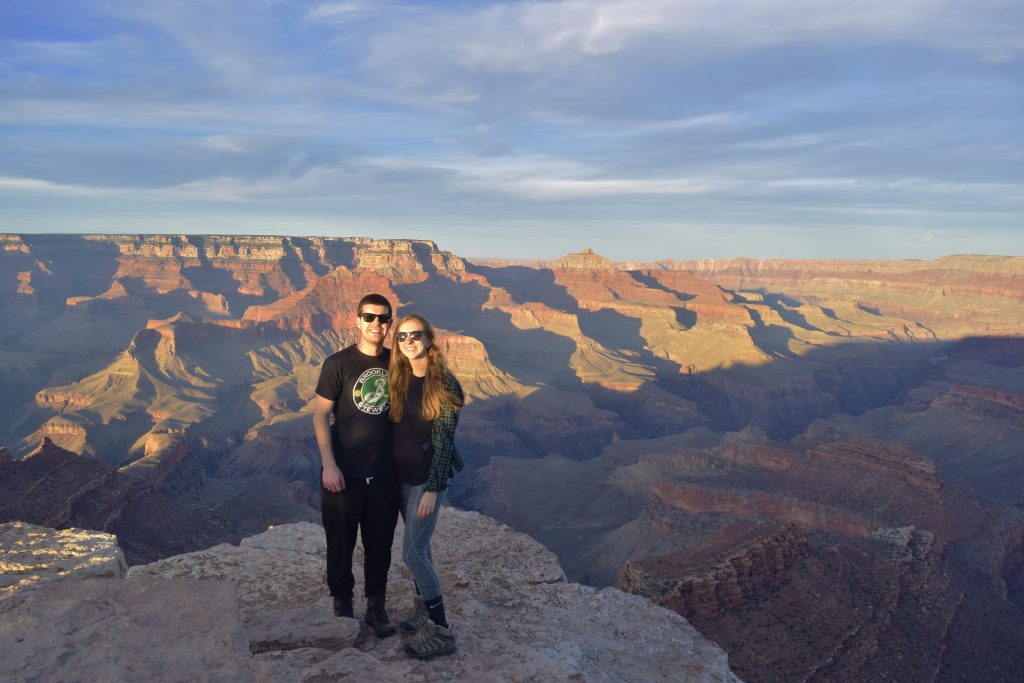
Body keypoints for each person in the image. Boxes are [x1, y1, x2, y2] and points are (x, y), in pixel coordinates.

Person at [313, 293, 399, 637]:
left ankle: (376, 606)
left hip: (382, 476)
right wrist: (328, 465)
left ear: (390, 323)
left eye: (383, 318)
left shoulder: (397, 363)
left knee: (380, 547)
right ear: (357, 320)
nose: (376, 324)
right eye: (369, 317)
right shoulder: (338, 364)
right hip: (343, 474)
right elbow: (320, 415)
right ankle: (342, 603)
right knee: (340, 544)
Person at [388, 314, 465, 660]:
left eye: (415, 336)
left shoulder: (445, 385)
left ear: (429, 339)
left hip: (426, 481)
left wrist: (433, 489)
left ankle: (443, 630)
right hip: (402, 478)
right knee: (422, 547)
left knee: (412, 554)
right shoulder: (400, 379)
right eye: (402, 337)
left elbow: (445, 442)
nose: (408, 342)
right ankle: (423, 607)